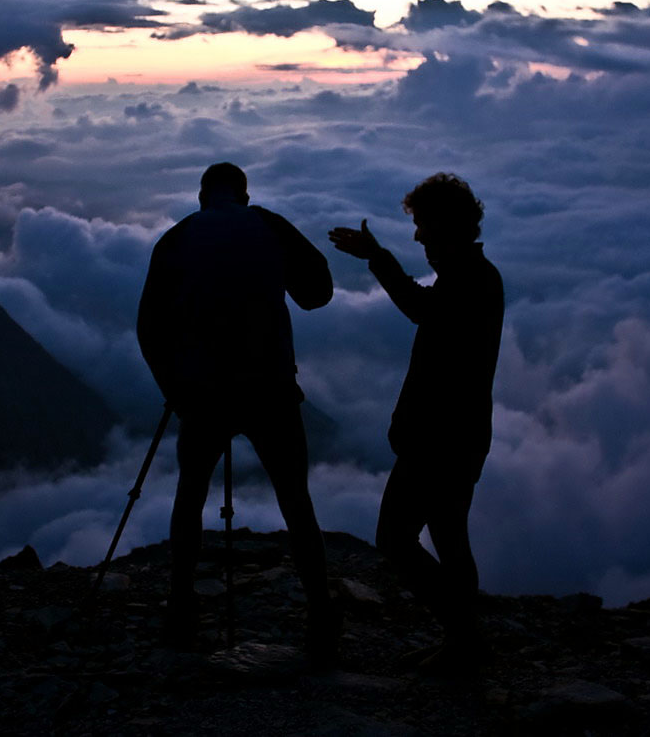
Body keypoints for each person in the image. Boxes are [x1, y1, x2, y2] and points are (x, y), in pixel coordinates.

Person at [137, 162, 340, 656]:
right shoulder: (269, 225)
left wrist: (175, 389)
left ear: (202, 195)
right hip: (270, 388)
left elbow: (148, 327)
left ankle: (181, 607)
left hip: (202, 391)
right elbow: (319, 294)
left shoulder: (177, 237)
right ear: (245, 196)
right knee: (296, 499)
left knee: (191, 495)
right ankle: (321, 615)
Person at [328, 172, 503, 665]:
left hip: (439, 440)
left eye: (424, 225)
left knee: (396, 539)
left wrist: (377, 259)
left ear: (447, 224)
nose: (418, 236)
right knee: (450, 537)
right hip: (460, 437)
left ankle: (463, 636)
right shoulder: (472, 275)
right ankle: (464, 643)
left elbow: (418, 309)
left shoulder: (469, 280)